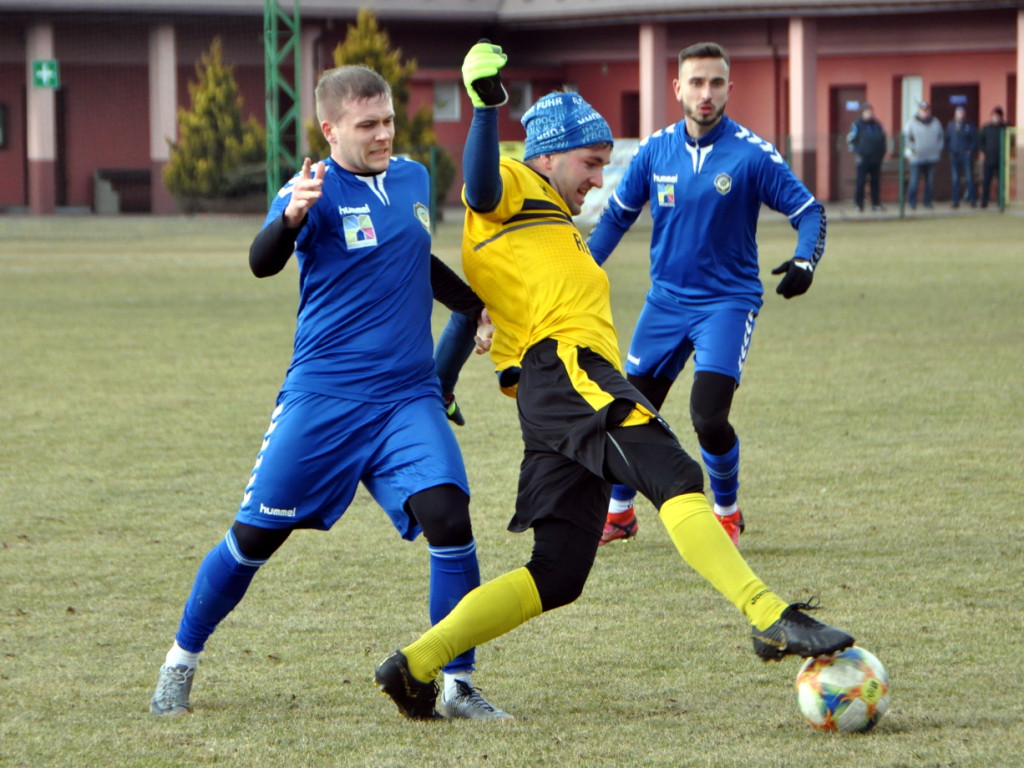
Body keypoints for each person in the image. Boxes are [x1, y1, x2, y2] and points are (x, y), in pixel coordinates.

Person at [372, 40, 855, 721]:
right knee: (679, 479)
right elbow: (480, 184)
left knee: (560, 574)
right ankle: (769, 614)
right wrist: (485, 108)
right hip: (569, 371)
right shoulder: (516, 187)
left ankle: (413, 666)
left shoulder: (555, 225)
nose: (599, 179)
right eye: (592, 163)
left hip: (552, 392)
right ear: (547, 154)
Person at [148, 64, 511, 721]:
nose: (383, 134)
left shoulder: (412, 178)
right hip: (324, 399)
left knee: (451, 520)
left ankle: (456, 683)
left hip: (406, 397)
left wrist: (474, 304)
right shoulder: (310, 190)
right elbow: (263, 260)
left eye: (389, 121)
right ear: (330, 128)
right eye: (367, 124)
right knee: (253, 541)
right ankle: (181, 660)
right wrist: (289, 219)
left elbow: (413, 255)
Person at [590, 41, 827, 547]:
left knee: (707, 415)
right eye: (696, 82)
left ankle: (727, 512)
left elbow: (809, 211)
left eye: (716, 83)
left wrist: (806, 258)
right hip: (665, 302)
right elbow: (615, 218)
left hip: (727, 303)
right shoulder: (655, 150)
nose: (706, 93)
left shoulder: (751, 154)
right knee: (627, 408)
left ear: (729, 89)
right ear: (677, 88)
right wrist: (582, 269)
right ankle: (620, 513)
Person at [847, 103, 887, 212]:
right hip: (863, 159)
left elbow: (883, 139)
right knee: (861, 182)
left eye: (871, 112)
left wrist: (882, 153)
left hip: (876, 159)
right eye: (867, 112)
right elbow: (850, 139)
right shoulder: (857, 125)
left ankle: (876, 204)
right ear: (863, 113)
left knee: (875, 182)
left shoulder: (877, 125)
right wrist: (857, 152)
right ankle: (859, 204)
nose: (869, 114)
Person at [903, 100, 943, 210]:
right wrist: (912, 148)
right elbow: (905, 138)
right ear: (919, 110)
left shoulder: (936, 123)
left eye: (927, 110)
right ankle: (912, 203)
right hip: (916, 158)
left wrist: (937, 149)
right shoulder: (911, 123)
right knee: (914, 181)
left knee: (929, 182)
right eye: (923, 110)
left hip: (932, 157)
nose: (925, 112)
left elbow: (941, 138)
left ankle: (927, 202)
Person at [945, 105, 977, 208]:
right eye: (958, 113)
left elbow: (974, 139)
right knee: (955, 179)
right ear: (955, 114)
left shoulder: (969, 125)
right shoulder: (950, 125)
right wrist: (949, 151)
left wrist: (970, 151)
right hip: (954, 156)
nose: (960, 115)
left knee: (969, 178)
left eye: (962, 113)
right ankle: (955, 202)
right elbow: (946, 139)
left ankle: (972, 201)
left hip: (966, 156)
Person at [978, 106, 1005, 208]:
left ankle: (1000, 201)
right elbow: (980, 142)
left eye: (998, 116)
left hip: (1001, 160)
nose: (995, 118)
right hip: (989, 160)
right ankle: (984, 201)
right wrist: (986, 151)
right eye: (994, 116)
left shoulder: (1004, 128)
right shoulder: (986, 128)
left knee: (1001, 181)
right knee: (986, 181)